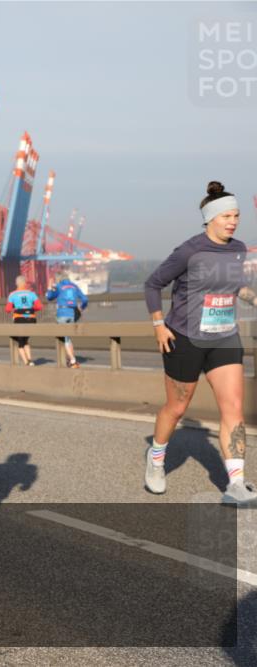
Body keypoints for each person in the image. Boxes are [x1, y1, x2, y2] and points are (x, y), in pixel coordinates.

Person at [144, 181, 257, 505]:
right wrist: (158, 325)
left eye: (236, 216)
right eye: (226, 216)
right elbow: (153, 284)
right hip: (185, 338)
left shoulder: (238, 248)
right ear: (210, 218)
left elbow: (236, 286)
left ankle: (236, 484)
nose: (233, 222)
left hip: (224, 337)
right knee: (177, 408)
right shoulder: (189, 251)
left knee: (233, 408)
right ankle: (156, 459)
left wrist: (254, 298)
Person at [46, 273, 88, 368]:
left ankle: (72, 361)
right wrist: (81, 307)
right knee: (67, 337)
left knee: (65, 338)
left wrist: (49, 287)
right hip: (72, 313)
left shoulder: (59, 286)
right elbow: (85, 299)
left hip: (62, 313)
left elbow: (49, 297)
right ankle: (71, 359)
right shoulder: (74, 286)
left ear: (59, 279)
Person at [5, 275, 42, 366]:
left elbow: (8, 309)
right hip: (31, 319)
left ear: (16, 283)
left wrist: (15, 307)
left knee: (20, 342)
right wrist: (30, 309)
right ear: (25, 283)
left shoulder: (12, 294)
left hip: (19, 319)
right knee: (25, 340)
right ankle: (30, 360)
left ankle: (26, 362)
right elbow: (39, 307)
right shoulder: (32, 294)